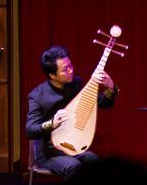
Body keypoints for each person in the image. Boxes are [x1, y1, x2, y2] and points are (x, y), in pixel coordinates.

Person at [26, 45, 118, 176]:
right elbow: (30, 130)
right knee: (74, 167)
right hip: (49, 153)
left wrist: (110, 87)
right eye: (65, 69)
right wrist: (52, 123)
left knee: (93, 161)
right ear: (52, 75)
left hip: (73, 147)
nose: (70, 70)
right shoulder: (37, 96)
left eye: (70, 65)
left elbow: (103, 104)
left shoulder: (76, 84)